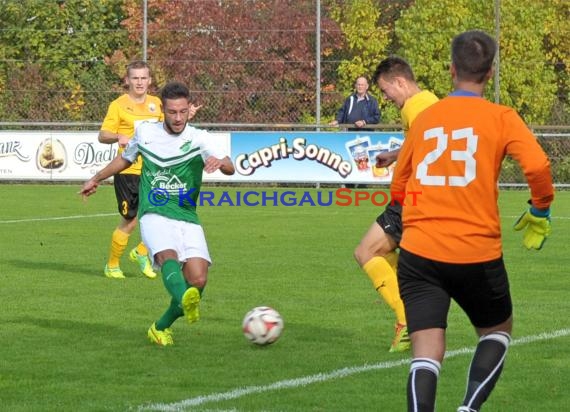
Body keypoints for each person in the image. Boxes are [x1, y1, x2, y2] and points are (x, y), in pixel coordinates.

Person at [390, 30, 554, 411]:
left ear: (451, 69)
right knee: (497, 331)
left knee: (426, 352)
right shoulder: (501, 117)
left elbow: (399, 186)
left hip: (420, 251)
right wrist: (540, 208)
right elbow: (538, 165)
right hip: (474, 251)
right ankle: (468, 409)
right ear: (490, 72)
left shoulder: (426, 119)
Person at [80, 81, 235, 346]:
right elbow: (126, 159)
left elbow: (230, 166)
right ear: (162, 109)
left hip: (186, 214)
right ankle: (182, 298)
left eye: (183, 112)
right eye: (172, 112)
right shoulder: (146, 132)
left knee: (198, 279)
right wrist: (96, 178)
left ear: (189, 110)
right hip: (154, 211)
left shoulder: (199, 137)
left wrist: (220, 163)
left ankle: (160, 326)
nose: (178, 118)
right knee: (167, 257)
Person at [353, 57, 439, 353]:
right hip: (424, 197)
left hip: (414, 197)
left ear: (401, 82)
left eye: (387, 91)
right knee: (383, 254)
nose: (387, 98)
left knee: (366, 251)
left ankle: (407, 320)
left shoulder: (414, 107)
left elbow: (426, 151)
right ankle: (414, 314)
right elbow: (426, 143)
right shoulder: (430, 102)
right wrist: (395, 154)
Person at [98, 60, 163, 279]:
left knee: (163, 214)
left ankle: (141, 252)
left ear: (150, 80)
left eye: (144, 78)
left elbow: (167, 130)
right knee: (131, 220)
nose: (140, 82)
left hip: (153, 170)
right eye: (135, 78)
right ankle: (112, 265)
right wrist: (118, 136)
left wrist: (185, 117)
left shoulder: (157, 104)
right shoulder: (118, 105)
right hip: (128, 171)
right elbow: (103, 135)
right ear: (127, 80)